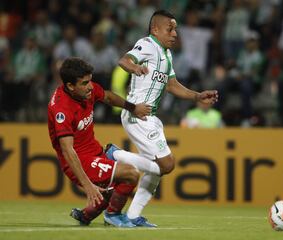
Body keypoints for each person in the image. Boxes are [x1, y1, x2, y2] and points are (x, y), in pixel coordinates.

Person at [108, 10, 218, 227]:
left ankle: (132, 216)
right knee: (166, 164)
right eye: (170, 29)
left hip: (150, 117)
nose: (175, 33)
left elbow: (172, 85)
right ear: (155, 29)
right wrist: (135, 67)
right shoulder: (147, 44)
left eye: (175, 29)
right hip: (137, 114)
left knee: (156, 167)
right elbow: (125, 60)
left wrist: (197, 96)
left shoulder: (166, 54)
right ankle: (115, 153)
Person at [47, 57, 157, 227]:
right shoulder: (61, 108)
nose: (90, 86)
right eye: (85, 83)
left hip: (96, 152)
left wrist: (133, 108)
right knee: (131, 174)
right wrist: (87, 185)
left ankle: (85, 215)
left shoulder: (85, 91)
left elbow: (107, 97)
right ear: (70, 86)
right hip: (79, 161)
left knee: (115, 187)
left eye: (90, 81)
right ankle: (112, 215)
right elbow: (68, 151)